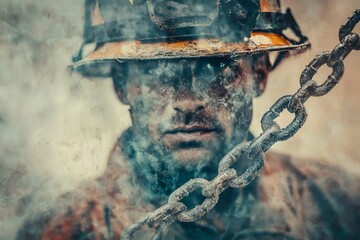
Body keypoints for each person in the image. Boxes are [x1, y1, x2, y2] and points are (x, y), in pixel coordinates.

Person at [17, 0, 360, 239]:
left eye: (216, 67)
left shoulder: (337, 203)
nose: (187, 101)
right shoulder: (62, 230)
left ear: (258, 73)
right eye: (156, 71)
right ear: (122, 85)